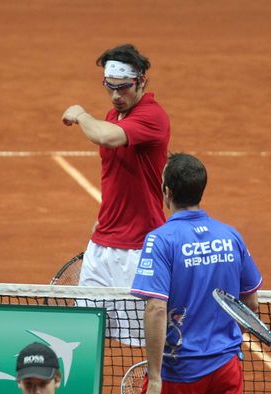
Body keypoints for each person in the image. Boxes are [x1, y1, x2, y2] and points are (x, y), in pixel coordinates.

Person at [130, 153, 263, 394]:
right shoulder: (230, 235)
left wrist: (154, 378)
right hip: (225, 367)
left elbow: (156, 308)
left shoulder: (161, 240)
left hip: (178, 371)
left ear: (166, 192)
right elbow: (251, 303)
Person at [62, 44, 170, 345]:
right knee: (83, 334)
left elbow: (105, 136)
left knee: (143, 340)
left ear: (141, 82)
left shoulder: (152, 116)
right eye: (110, 88)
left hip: (138, 249)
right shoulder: (114, 114)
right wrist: (104, 218)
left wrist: (81, 114)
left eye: (123, 89)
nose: (115, 96)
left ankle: (157, 389)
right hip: (101, 245)